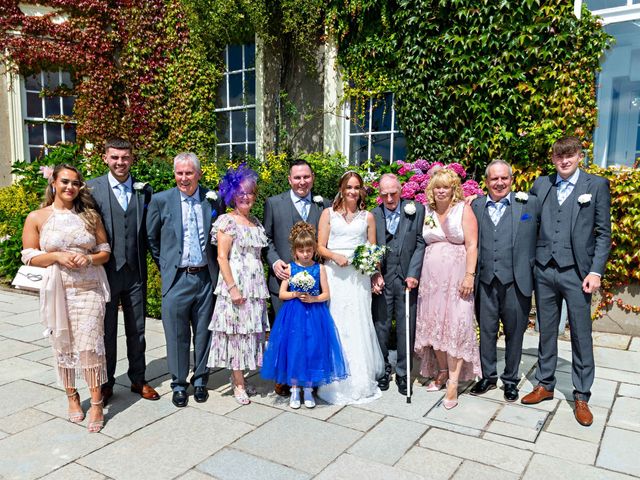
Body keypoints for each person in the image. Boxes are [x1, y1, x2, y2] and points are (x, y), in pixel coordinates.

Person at [521, 136, 611, 427]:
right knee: (546, 330)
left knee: (581, 335)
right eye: (559, 156)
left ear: (579, 156)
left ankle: (581, 394)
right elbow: (527, 219)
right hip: (544, 271)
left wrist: (595, 271)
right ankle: (545, 383)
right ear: (553, 158)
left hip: (578, 273)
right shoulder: (541, 184)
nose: (564, 161)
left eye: (569, 155)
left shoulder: (595, 186)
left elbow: (603, 234)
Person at [22, 164, 111, 433]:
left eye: (75, 183)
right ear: (54, 184)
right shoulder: (37, 217)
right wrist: (57, 256)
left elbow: (105, 250)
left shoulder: (90, 216)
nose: (70, 187)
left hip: (89, 289)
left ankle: (96, 402)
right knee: (63, 345)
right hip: (57, 291)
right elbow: (28, 255)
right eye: (65, 182)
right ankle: (72, 397)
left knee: (91, 345)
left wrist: (89, 257)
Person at [146, 153, 224, 408]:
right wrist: (167, 266)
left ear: (198, 174)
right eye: (179, 173)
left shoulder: (212, 200)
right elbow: (152, 238)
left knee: (203, 332)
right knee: (176, 334)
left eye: (189, 173)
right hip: (177, 279)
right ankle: (179, 384)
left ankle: (200, 379)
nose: (183, 178)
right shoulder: (160, 201)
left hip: (205, 277)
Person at [87, 138, 159, 404]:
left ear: (132, 158)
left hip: (135, 272)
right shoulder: (92, 189)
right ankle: (106, 383)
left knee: (137, 328)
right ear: (105, 157)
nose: (120, 162)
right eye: (115, 157)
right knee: (106, 330)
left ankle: (138, 379)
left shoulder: (144, 190)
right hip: (105, 272)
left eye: (125, 157)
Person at [469, 160, 539, 402]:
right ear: (486, 182)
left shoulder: (529, 204)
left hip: (516, 281)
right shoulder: (475, 206)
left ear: (512, 180)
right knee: (486, 332)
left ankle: (510, 380)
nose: (499, 183)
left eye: (504, 178)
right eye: (494, 179)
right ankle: (488, 377)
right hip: (486, 281)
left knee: (514, 333)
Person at [261, 222, 348, 409]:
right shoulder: (291, 269)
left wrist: (314, 298)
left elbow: (326, 294)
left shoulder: (319, 269)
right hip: (293, 314)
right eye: (302, 251)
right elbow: (282, 293)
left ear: (314, 250)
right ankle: (294, 389)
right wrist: (295, 294)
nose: (306, 254)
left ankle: (308, 388)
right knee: (294, 348)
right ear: (295, 252)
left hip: (315, 314)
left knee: (312, 348)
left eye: (309, 250)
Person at [316, 171, 385, 405]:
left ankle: (360, 380)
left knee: (357, 324)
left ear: (361, 190)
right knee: (336, 323)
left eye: (357, 187)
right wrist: (335, 256)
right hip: (334, 276)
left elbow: (372, 250)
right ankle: (334, 382)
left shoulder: (368, 217)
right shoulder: (328, 214)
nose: (353, 191)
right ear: (341, 189)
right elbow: (319, 247)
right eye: (348, 187)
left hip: (358, 278)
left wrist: (375, 272)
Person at [414, 168, 480, 410]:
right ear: (431, 189)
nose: (441, 190)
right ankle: (441, 371)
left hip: (457, 281)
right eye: (437, 186)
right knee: (435, 328)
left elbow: (472, 245)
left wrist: (469, 276)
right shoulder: (427, 211)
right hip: (431, 282)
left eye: (446, 186)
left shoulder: (464, 209)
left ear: (454, 189)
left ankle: (453, 383)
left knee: (456, 327)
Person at [263, 159, 330, 396]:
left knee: (311, 334)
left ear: (312, 177)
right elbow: (267, 239)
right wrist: (274, 262)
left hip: (313, 284)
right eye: (297, 178)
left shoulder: (324, 205)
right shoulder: (273, 203)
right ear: (289, 179)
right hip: (283, 281)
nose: (302, 182)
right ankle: (284, 377)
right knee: (286, 333)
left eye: (306, 177)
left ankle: (310, 377)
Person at [206, 165, 270, 406]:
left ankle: (240, 378)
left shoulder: (255, 221)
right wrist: (232, 288)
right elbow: (222, 257)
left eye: (250, 192)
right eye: (241, 192)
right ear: (232, 194)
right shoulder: (227, 221)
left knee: (250, 333)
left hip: (255, 287)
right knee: (235, 334)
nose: (246, 197)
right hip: (236, 285)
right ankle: (239, 384)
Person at [371, 173, 426, 395]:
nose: (390, 199)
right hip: (383, 278)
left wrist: (414, 273)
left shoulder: (416, 210)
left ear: (401, 191)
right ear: (380, 194)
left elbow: (421, 242)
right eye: (385, 195)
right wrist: (375, 273)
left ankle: (403, 373)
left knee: (406, 326)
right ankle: (383, 369)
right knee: (381, 325)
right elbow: (368, 247)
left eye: (393, 193)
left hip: (406, 280)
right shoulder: (372, 215)